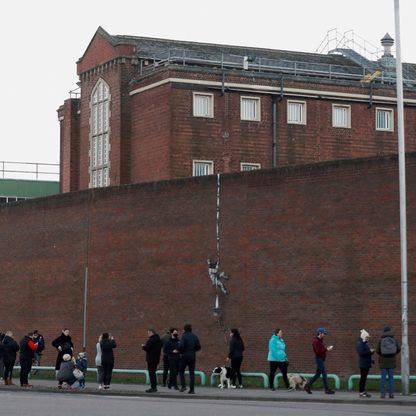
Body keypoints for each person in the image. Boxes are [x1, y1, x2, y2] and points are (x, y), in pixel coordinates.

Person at [304, 327, 335, 395]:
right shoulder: (316, 341)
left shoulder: (320, 341)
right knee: (324, 373)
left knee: (318, 374)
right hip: (319, 359)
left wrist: (327, 348)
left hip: (321, 359)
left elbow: (322, 349)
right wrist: (327, 349)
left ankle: (307, 386)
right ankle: (327, 389)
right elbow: (318, 352)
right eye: (324, 333)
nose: (324, 335)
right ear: (320, 333)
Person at [376, 326, 400, 399]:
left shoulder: (381, 340)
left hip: (383, 362)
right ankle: (391, 394)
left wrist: (382, 354)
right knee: (391, 379)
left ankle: (383, 394)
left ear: (384, 331)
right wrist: (393, 354)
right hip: (392, 362)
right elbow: (398, 349)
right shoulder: (394, 340)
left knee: (383, 378)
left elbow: (377, 350)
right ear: (390, 331)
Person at [178, 324, 201, 394]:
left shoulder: (184, 336)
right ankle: (192, 389)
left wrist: (181, 352)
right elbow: (199, 347)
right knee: (191, 372)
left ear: (184, 330)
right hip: (192, 356)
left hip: (185, 355)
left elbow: (181, 346)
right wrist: (193, 350)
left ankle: (183, 386)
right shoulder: (195, 336)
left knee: (181, 370)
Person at [142, 328, 162, 393]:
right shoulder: (158, 340)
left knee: (151, 373)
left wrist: (143, 346)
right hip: (156, 358)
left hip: (151, 359)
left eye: (148, 333)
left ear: (151, 332)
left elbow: (147, 348)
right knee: (153, 373)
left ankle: (153, 387)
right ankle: (154, 387)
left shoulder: (151, 340)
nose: (148, 334)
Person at [356, 329, 374, 398]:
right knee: (363, 378)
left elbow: (365, 353)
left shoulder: (363, 343)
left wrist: (371, 359)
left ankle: (363, 391)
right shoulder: (361, 344)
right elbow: (361, 353)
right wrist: (370, 352)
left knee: (364, 378)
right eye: (367, 337)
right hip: (363, 364)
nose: (368, 339)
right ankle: (361, 392)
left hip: (365, 363)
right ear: (363, 337)